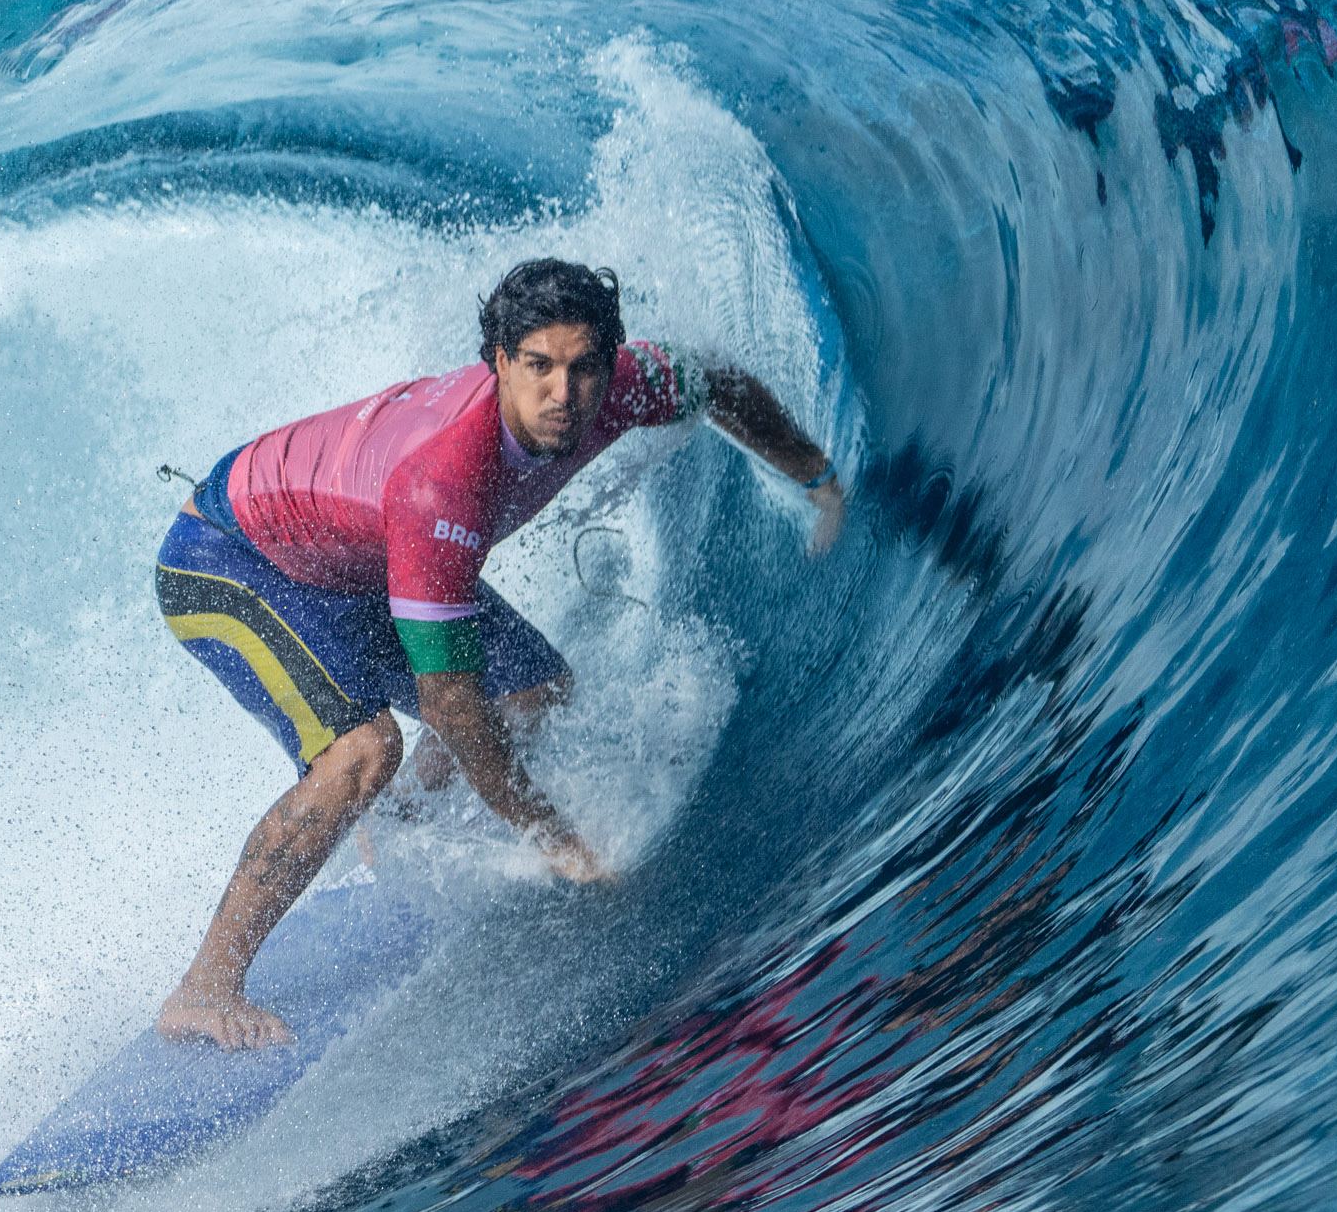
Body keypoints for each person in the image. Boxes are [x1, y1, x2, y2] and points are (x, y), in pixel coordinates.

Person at [149, 256, 844, 1048]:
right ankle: (204, 989)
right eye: (539, 367)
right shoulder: (443, 483)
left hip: (358, 559)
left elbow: (718, 383)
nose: (564, 394)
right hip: (229, 559)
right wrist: (558, 841)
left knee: (533, 691)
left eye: (584, 369)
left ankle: (398, 821)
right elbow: (449, 700)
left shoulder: (623, 387)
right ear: (500, 363)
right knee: (361, 751)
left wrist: (819, 478)